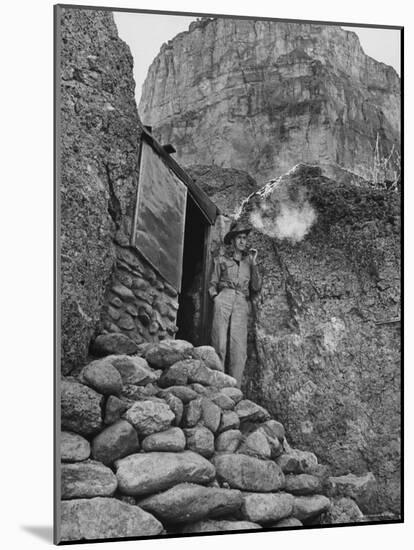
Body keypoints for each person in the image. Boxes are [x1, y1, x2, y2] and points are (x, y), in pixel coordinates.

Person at [209, 221, 262, 387]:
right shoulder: (221, 260)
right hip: (224, 296)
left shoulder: (249, 263)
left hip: (241, 301)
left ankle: (234, 389)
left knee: (239, 347)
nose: (242, 241)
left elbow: (255, 286)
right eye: (239, 237)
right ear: (232, 241)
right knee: (219, 340)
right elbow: (213, 283)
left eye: (244, 238)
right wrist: (216, 298)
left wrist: (254, 263)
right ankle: (217, 382)